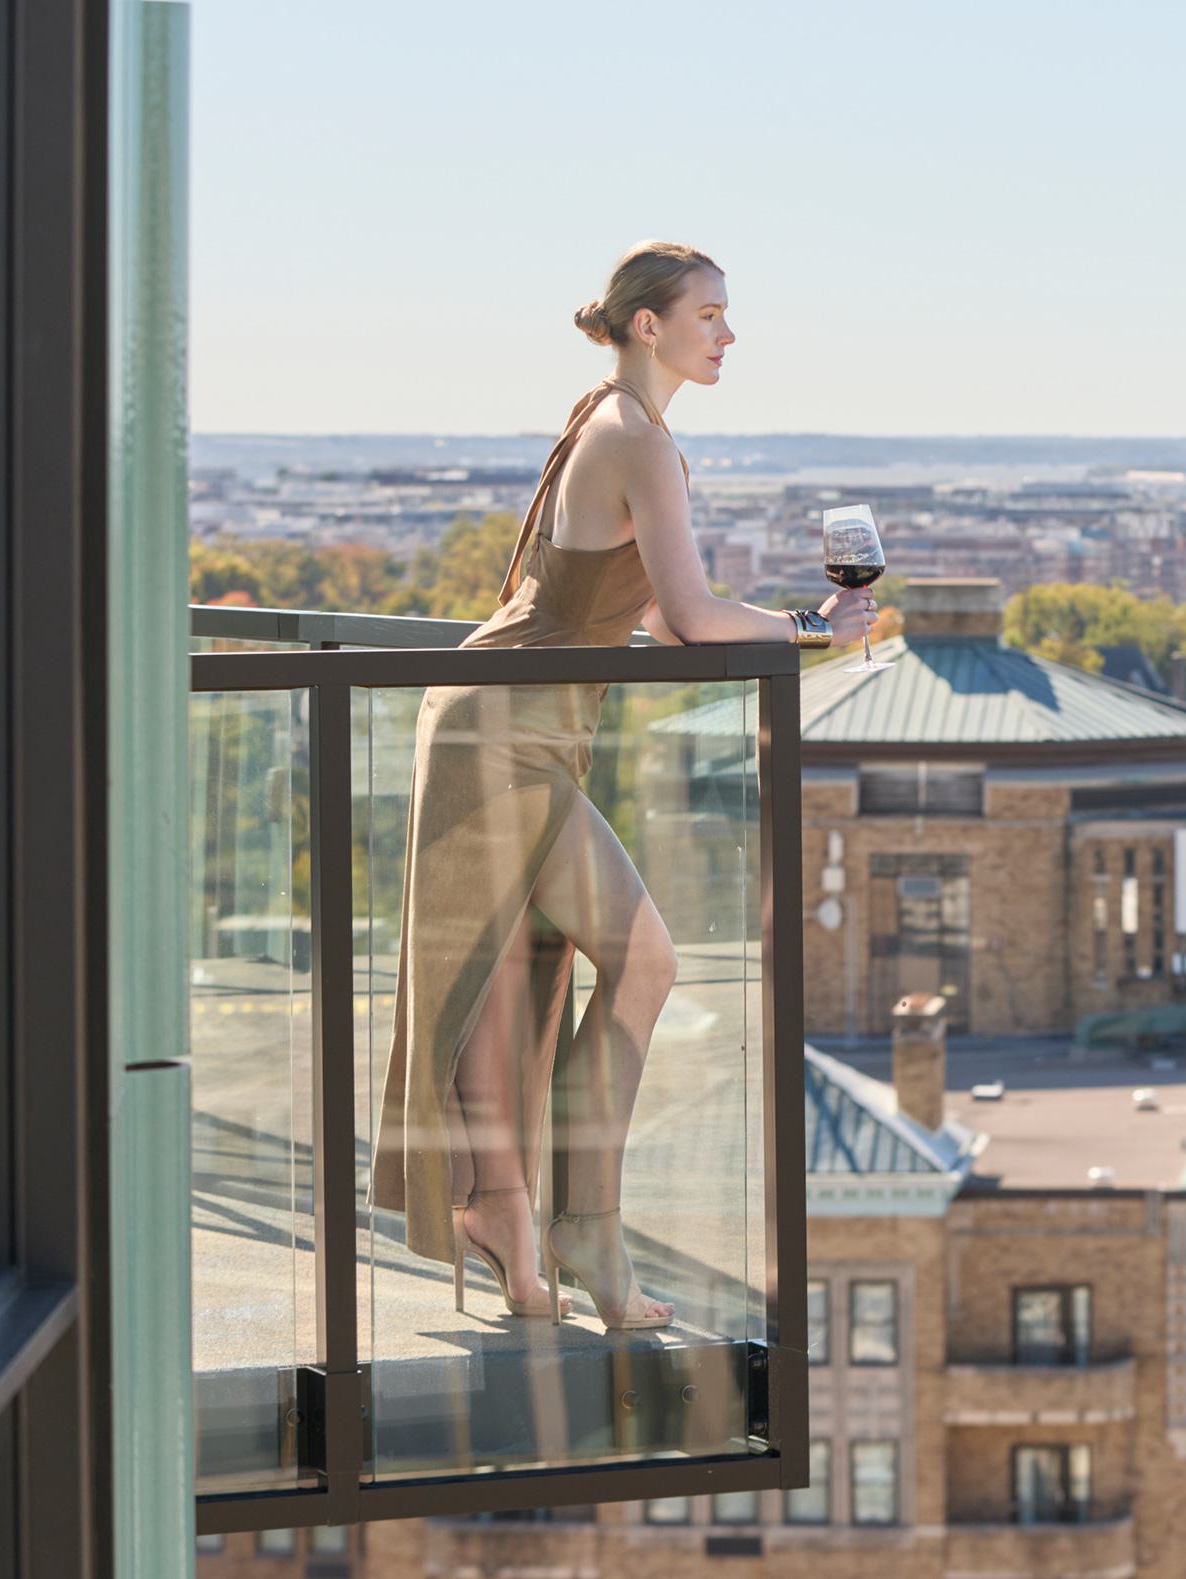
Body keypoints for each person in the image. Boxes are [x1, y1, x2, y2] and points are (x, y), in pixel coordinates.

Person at [370, 241, 872, 1329]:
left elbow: (647, 615)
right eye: (711, 314)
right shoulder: (633, 437)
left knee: (517, 986)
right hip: (500, 733)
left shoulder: (613, 424)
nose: (728, 335)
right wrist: (808, 632)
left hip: (521, 726)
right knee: (630, 960)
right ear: (650, 325)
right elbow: (688, 618)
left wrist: (797, 629)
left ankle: (518, 1221)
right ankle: (574, 1223)